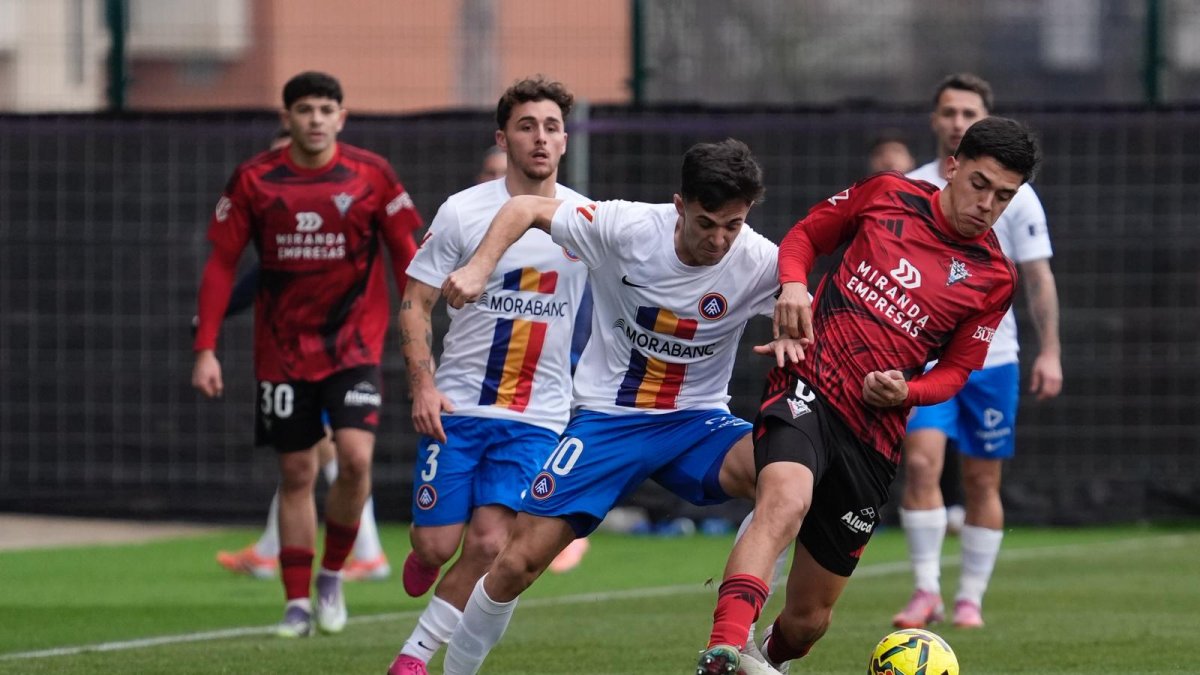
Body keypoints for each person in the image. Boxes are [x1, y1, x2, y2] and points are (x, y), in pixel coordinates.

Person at [435, 139, 795, 675]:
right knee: (515, 564)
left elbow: (817, 309)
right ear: (679, 206)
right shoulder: (626, 228)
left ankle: (743, 643)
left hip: (697, 421)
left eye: (733, 225)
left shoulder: (761, 260)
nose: (719, 240)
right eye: (706, 223)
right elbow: (525, 207)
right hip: (609, 420)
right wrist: (479, 267)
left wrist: (798, 298)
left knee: (787, 480)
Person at [699, 116, 1038, 675]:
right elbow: (806, 236)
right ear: (953, 166)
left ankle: (769, 659)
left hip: (874, 434)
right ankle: (724, 649)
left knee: (807, 623)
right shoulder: (887, 194)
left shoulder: (994, 277)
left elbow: (957, 371)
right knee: (784, 499)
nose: (987, 204)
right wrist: (794, 286)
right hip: (810, 381)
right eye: (980, 184)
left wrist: (910, 389)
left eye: (1004, 196)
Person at [191, 71, 422, 637]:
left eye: (325, 109)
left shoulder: (372, 175)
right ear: (287, 117)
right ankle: (296, 604)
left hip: (354, 346)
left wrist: (415, 325)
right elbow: (222, 265)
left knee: (356, 460)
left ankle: (332, 575)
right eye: (304, 109)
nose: (315, 119)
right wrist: (206, 348)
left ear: (341, 117)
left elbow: (405, 253)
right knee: (296, 472)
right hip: (283, 353)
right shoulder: (254, 179)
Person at [385, 75, 592, 675]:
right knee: (436, 546)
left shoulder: (586, 219)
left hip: (537, 416)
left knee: (489, 543)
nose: (541, 138)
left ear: (565, 140)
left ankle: (413, 658)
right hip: (458, 407)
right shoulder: (462, 211)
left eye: (552, 127)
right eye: (527, 126)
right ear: (503, 138)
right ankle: (426, 556)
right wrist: (423, 387)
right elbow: (415, 302)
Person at [892, 73, 1062, 631]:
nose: (957, 122)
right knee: (921, 464)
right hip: (927, 358)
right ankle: (926, 591)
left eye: (969, 113)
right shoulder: (910, 189)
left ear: (984, 119)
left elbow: (1037, 277)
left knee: (982, 481)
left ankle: (970, 597)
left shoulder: (1016, 194)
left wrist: (1050, 351)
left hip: (993, 361)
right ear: (935, 121)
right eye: (949, 112)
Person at [214, 127, 391, 583]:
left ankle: (363, 554)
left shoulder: (343, 208)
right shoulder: (277, 220)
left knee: (333, 455)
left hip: (337, 355)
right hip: (294, 359)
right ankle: (278, 551)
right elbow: (258, 276)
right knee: (307, 457)